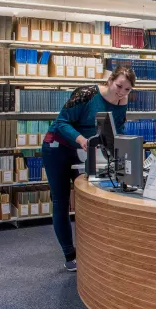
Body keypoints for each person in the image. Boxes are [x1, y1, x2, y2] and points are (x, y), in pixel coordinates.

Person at [43, 66, 135, 272]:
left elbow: (116, 130)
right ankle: (69, 255)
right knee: (61, 201)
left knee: (87, 197)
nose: (121, 92)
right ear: (110, 81)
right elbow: (60, 123)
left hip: (86, 149)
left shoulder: (122, 102)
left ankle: (90, 249)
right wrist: (81, 140)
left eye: (127, 90)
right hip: (57, 147)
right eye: (119, 86)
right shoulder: (87, 94)